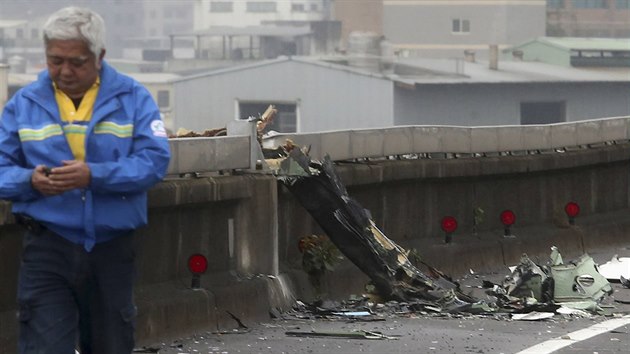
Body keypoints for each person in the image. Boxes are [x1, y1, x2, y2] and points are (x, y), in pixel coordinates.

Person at [0, 7, 171, 354]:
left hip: (111, 247)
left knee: (111, 343)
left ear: (99, 56)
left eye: (76, 62)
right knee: (43, 346)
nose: (64, 71)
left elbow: (154, 161)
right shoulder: (24, 104)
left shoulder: (133, 98)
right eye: (55, 60)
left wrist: (94, 175)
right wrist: (28, 181)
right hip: (47, 246)